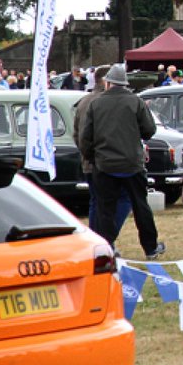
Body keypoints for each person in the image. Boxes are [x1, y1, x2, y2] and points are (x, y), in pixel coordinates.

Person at [77, 63, 164, 260]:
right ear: (124, 83)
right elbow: (149, 130)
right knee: (141, 206)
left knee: (104, 209)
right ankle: (150, 248)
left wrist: (93, 157)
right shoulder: (135, 102)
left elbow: (85, 138)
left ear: (107, 83)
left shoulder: (95, 104)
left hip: (104, 165)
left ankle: (106, 250)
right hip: (132, 163)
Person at [72, 65, 131, 232]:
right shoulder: (107, 102)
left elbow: (77, 133)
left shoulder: (84, 101)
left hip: (89, 160)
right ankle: (106, 237)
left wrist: (87, 154)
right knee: (122, 199)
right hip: (106, 161)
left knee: (96, 202)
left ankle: (96, 239)